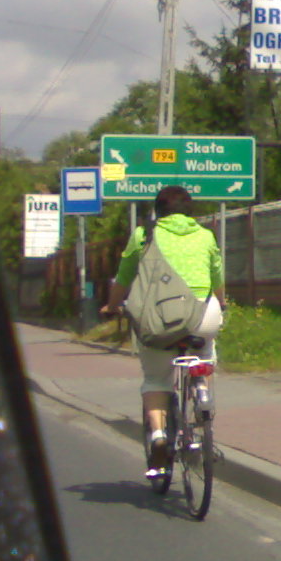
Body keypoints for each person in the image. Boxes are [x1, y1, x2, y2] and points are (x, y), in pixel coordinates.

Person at [101, 185, 226, 476]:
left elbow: (124, 277)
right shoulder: (205, 235)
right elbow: (217, 277)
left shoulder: (143, 235)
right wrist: (221, 302)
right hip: (202, 315)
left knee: (156, 379)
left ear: (157, 211)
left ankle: (158, 436)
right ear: (190, 211)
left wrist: (112, 306)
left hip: (159, 318)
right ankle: (202, 402)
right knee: (204, 354)